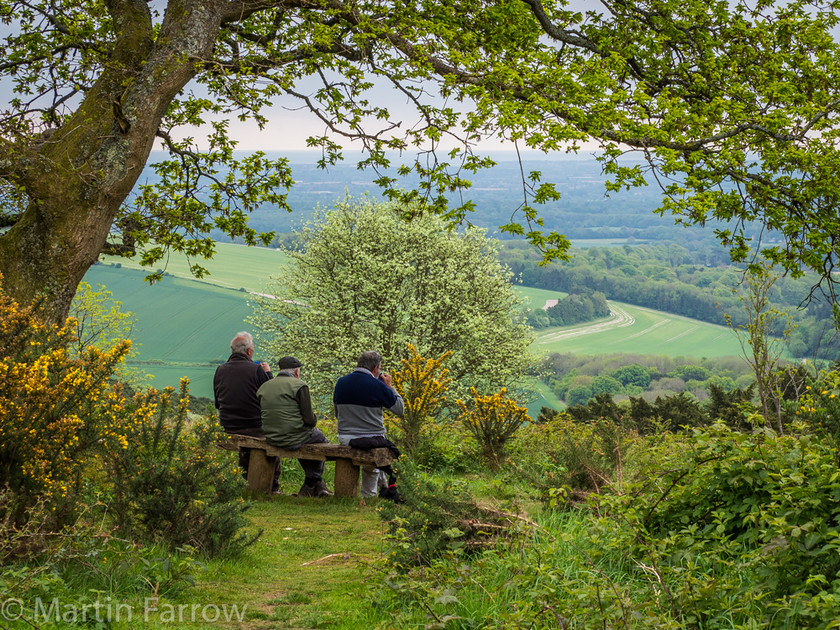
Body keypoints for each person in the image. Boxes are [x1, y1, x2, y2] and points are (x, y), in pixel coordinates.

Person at [213, 331, 281, 492]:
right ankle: (272, 485)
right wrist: (268, 374)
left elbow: (217, 403)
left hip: (228, 426)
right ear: (249, 351)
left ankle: (245, 479)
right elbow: (272, 399)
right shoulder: (256, 370)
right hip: (255, 427)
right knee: (274, 439)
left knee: (249, 447)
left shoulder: (219, 370)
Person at [257, 356, 333, 498]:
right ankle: (312, 481)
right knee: (321, 441)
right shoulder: (299, 385)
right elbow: (309, 420)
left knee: (304, 440)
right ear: (297, 371)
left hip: (271, 436)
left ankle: (315, 485)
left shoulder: (265, 386)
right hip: (292, 436)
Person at [333, 350, 405, 497]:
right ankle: (369, 495)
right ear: (375, 369)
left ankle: (383, 488)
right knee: (376, 451)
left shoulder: (341, 382)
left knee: (375, 444)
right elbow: (399, 409)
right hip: (370, 439)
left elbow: (337, 414)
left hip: (345, 438)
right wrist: (390, 386)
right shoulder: (377, 386)